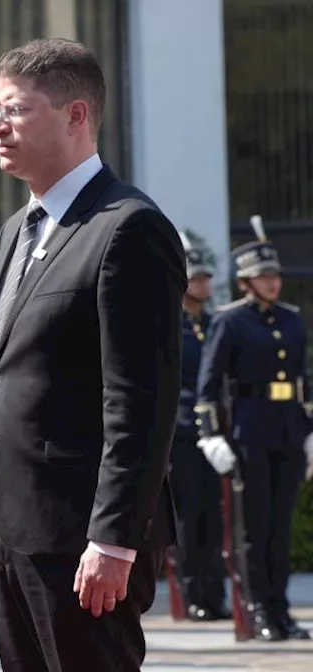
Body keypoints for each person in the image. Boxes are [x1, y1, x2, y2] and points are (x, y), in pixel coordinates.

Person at [0, 39, 184, 671]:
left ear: (75, 115)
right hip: (12, 533)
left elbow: (140, 402)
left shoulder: (127, 227)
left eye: (15, 109)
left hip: (81, 540)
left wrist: (115, 539)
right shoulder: (20, 228)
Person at [195, 221, 313, 641]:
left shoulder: (293, 321)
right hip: (249, 433)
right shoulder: (230, 322)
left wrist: (310, 431)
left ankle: (282, 611)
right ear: (246, 282)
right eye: (264, 276)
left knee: (280, 529)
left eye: (276, 275)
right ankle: (258, 610)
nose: (273, 282)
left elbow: (304, 380)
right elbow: (208, 384)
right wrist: (210, 434)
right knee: (253, 531)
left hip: (288, 432)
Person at [168, 235, 227, 622]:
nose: (203, 284)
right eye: (196, 277)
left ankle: (216, 594)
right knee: (188, 520)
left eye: (207, 277)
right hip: (184, 433)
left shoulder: (217, 323)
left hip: (217, 435)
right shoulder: (170, 324)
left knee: (215, 518)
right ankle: (194, 596)